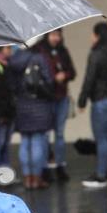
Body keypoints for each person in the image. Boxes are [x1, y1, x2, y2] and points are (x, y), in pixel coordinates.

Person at [77, 22, 107, 188]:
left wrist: (82, 100)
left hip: (101, 100)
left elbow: (89, 78)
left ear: (97, 35)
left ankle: (101, 174)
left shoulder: (96, 53)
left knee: (102, 138)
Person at [9, 48, 56, 190]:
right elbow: (49, 80)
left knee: (25, 141)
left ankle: (26, 178)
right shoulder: (39, 58)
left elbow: (11, 85)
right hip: (39, 104)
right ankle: (36, 178)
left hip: (22, 105)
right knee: (37, 141)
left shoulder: (13, 60)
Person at [33, 29, 77, 182]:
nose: (56, 38)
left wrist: (65, 75)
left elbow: (72, 72)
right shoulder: (39, 51)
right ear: (46, 35)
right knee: (45, 134)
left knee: (59, 133)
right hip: (46, 98)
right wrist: (52, 78)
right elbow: (35, 74)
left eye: (58, 35)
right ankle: (45, 167)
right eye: (53, 35)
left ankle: (60, 165)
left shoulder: (62, 51)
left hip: (61, 97)